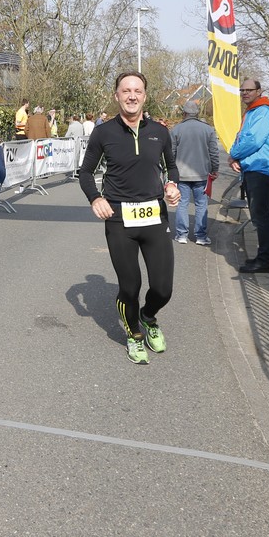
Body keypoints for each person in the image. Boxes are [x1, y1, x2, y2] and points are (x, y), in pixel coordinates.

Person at [77, 71, 181, 365]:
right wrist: (95, 198)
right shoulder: (104, 133)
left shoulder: (159, 132)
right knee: (130, 287)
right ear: (117, 96)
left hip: (154, 216)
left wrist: (172, 185)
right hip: (120, 220)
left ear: (144, 96)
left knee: (163, 288)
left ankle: (148, 316)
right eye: (126, 91)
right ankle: (134, 334)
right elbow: (85, 172)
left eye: (137, 91)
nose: (132, 96)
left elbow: (171, 167)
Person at [229, 79, 269, 275]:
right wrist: (236, 156)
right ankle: (265, 256)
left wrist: (234, 154)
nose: (245, 93)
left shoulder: (262, 112)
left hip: (261, 170)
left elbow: (253, 140)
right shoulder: (253, 111)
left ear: (259, 91)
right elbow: (243, 137)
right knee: (259, 216)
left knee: (261, 216)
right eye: (242, 90)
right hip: (255, 169)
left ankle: (266, 259)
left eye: (249, 90)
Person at [170, 101, 221, 246]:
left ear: (184, 113)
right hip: (202, 174)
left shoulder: (176, 130)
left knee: (182, 204)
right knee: (201, 205)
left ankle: (181, 235)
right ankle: (201, 236)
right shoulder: (208, 129)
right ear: (197, 113)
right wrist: (215, 169)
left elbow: (171, 153)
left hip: (181, 174)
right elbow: (213, 152)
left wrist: (171, 173)